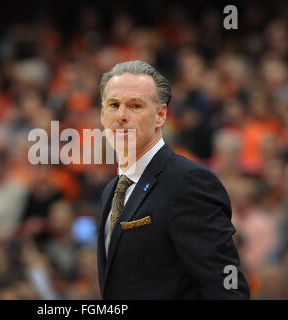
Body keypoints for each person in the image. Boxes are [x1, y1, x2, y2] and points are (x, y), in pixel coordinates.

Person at [97, 60, 250, 299]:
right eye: (113, 105)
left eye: (135, 106)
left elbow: (226, 287)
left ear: (160, 115)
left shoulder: (189, 182)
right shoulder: (111, 191)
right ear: (102, 114)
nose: (121, 116)